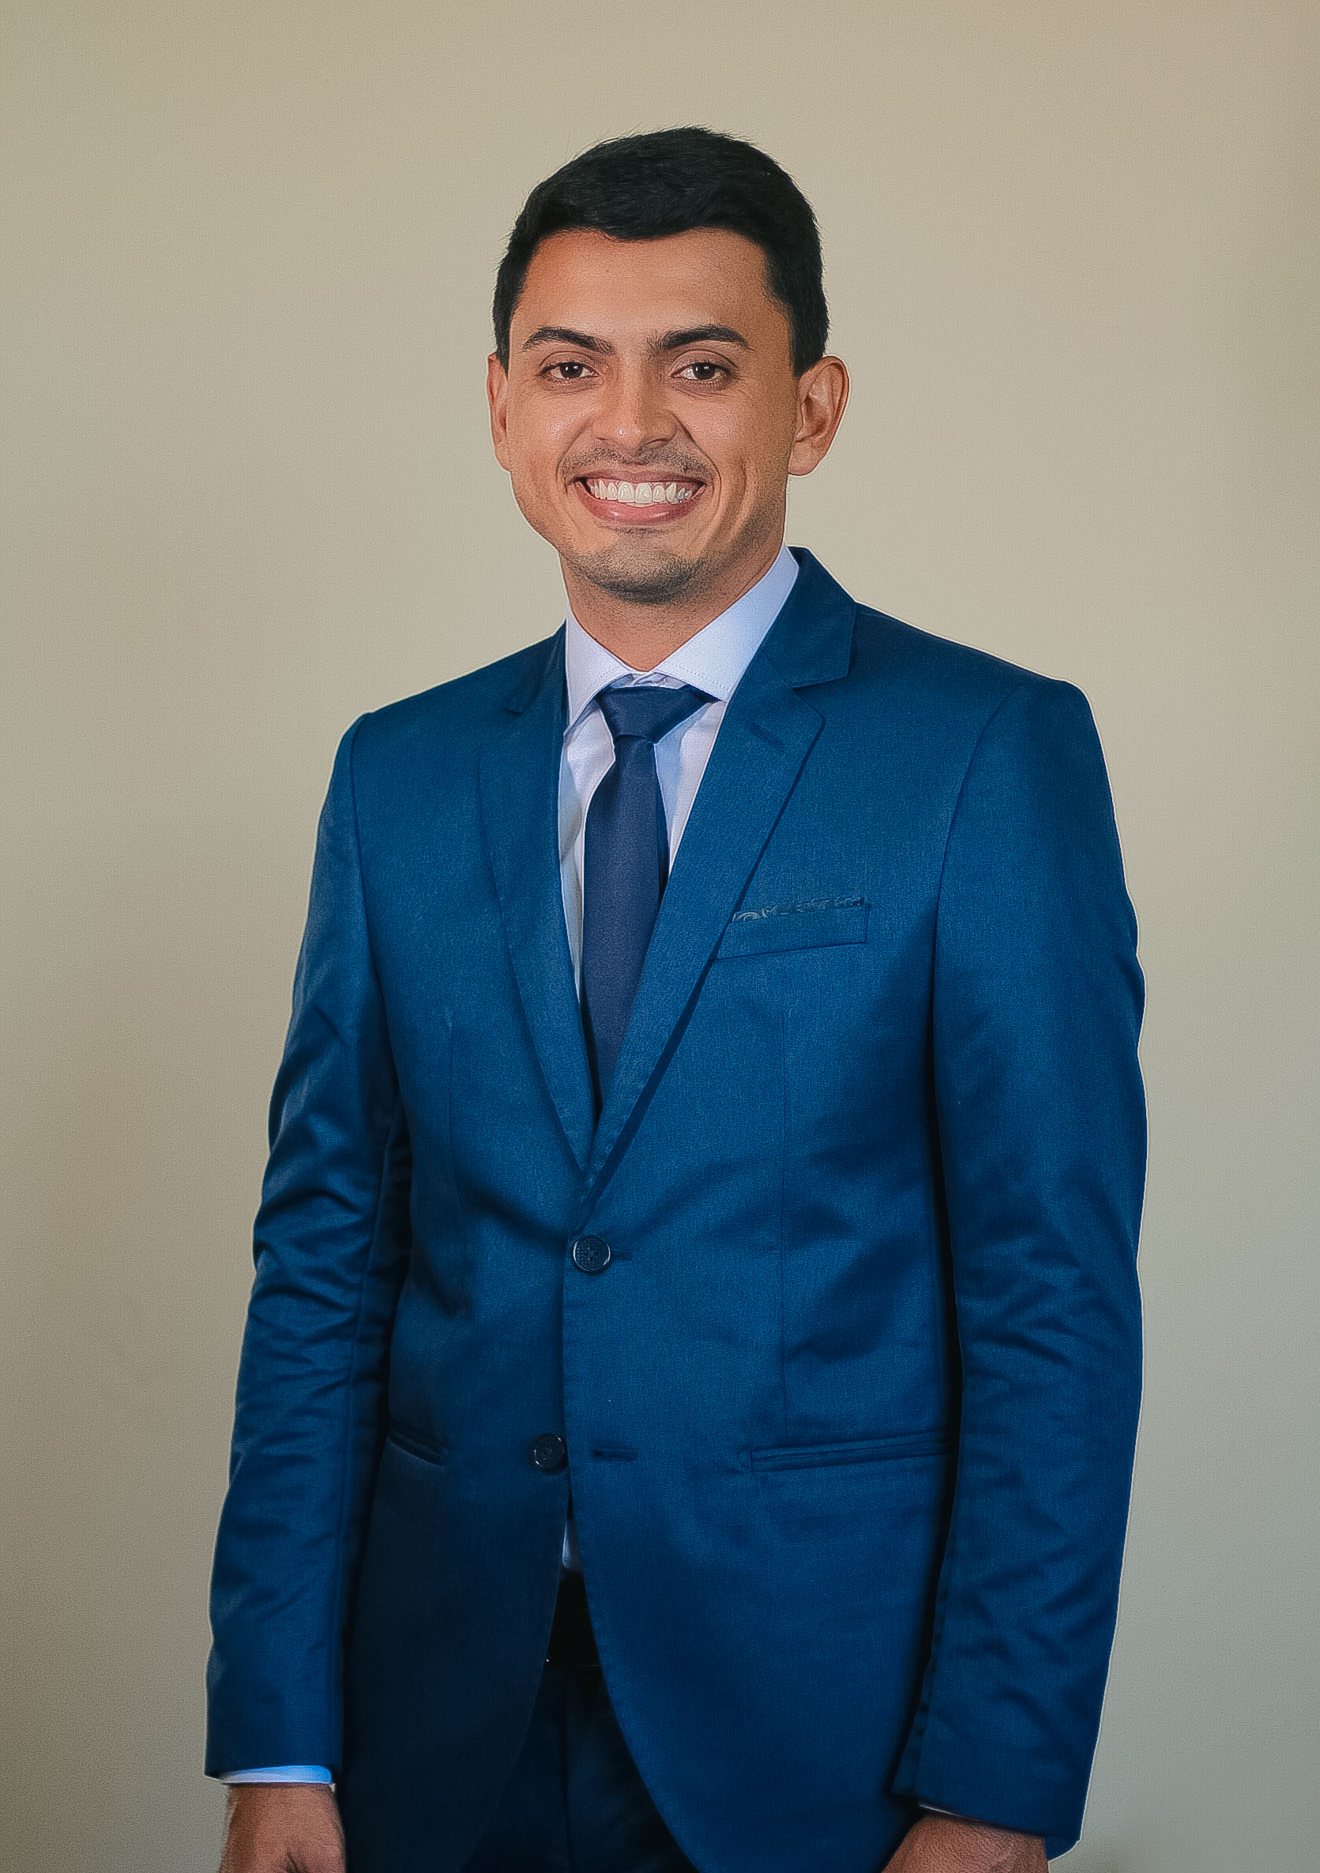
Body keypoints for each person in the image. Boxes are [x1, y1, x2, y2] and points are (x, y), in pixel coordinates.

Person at [206, 128, 1145, 1873]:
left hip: (826, 1738)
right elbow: (325, 1265)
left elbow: (1051, 1307)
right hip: (431, 1728)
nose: (628, 424)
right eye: (571, 366)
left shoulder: (982, 756)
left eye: (700, 366)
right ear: (502, 407)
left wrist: (994, 1792)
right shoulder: (397, 775)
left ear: (811, 408)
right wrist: (277, 1734)